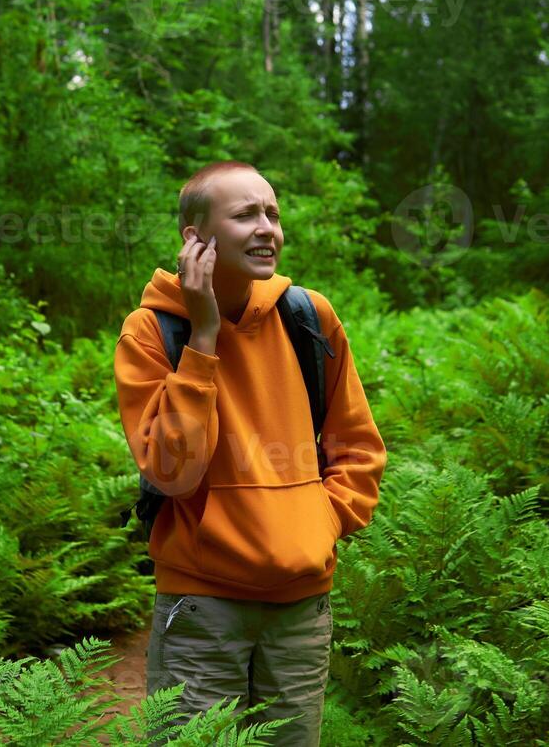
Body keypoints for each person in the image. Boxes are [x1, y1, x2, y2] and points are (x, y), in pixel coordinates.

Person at [113, 160, 387, 746]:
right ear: (196, 238)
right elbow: (173, 473)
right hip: (200, 604)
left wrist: (320, 523)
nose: (267, 228)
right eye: (245, 215)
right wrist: (205, 338)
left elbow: (357, 445)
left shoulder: (309, 317)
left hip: (300, 606)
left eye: (272, 213)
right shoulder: (151, 332)